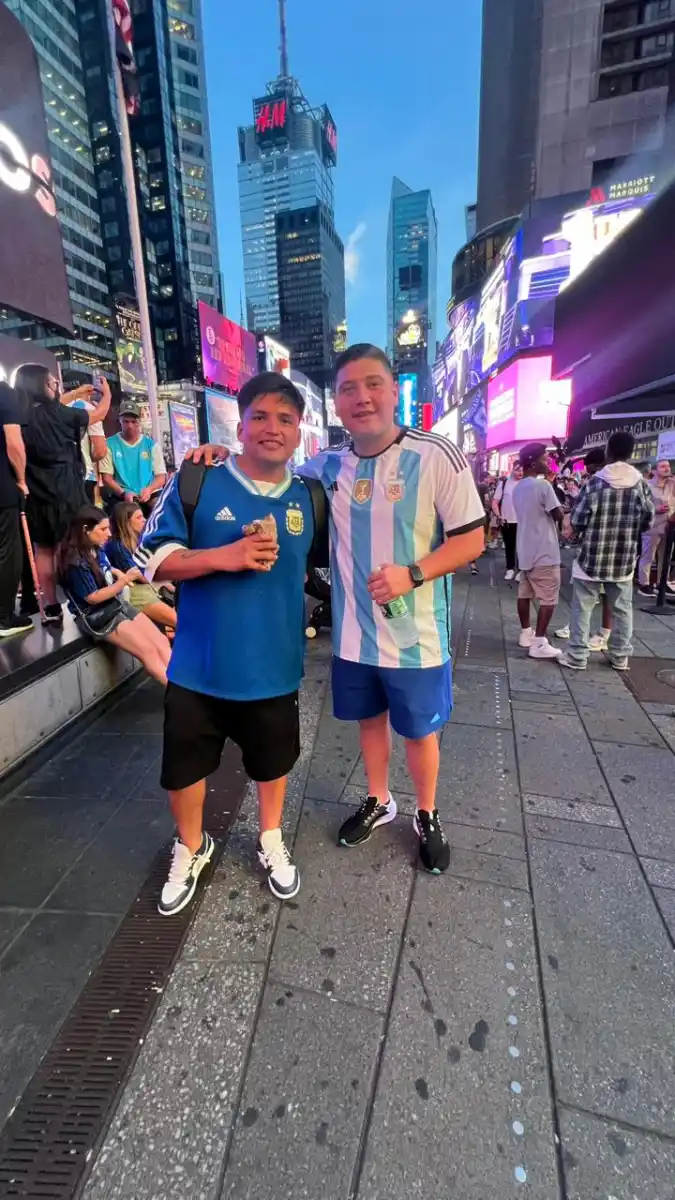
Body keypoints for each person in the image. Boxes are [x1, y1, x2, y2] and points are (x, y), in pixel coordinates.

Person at [193, 346, 486, 873]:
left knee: (419, 730)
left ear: (395, 391)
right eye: (348, 388)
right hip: (353, 634)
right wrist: (221, 453)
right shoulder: (326, 466)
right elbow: (268, 468)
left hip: (416, 633)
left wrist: (413, 573)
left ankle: (426, 812)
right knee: (368, 721)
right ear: (337, 404)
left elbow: (472, 539)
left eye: (373, 384)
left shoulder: (437, 453)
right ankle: (379, 799)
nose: (361, 397)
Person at [136, 373, 317, 915]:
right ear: (239, 426)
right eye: (260, 416)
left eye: (285, 419)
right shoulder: (198, 480)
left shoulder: (310, 496)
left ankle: (269, 838)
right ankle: (191, 846)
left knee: (272, 763)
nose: (272, 428)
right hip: (198, 666)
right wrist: (227, 557)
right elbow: (156, 563)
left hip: (274, 669)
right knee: (183, 770)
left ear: (299, 431)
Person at [14, 365, 111, 625]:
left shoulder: (20, 415)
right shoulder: (59, 413)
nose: (56, 385)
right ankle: (89, 596)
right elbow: (98, 414)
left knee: (44, 551)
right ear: (44, 384)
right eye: (51, 381)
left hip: (36, 490)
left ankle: (51, 606)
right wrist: (108, 394)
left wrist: (75, 392)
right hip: (67, 488)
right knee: (77, 545)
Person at [560, 431, 655, 672]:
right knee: (623, 609)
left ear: (608, 452)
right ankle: (620, 656)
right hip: (624, 558)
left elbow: (579, 519)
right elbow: (648, 520)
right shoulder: (640, 483)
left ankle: (577, 656)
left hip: (591, 556)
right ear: (631, 453)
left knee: (583, 607)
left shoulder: (595, 482)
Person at [57, 506, 172, 683]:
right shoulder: (76, 562)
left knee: (161, 641)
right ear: (85, 531)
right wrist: (124, 581)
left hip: (115, 605)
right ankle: (178, 698)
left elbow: (105, 567)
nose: (108, 534)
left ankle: (183, 688)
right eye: (103, 529)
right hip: (97, 615)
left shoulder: (96, 548)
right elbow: (93, 597)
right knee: (148, 651)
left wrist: (117, 572)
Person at [556, 447, 613, 649]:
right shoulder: (632, 483)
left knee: (587, 593)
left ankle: (584, 637)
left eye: (590, 469)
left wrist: (573, 526)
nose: (588, 473)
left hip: (595, 546)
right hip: (619, 548)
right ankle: (605, 636)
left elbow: (580, 519)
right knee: (610, 594)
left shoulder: (595, 484)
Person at [512, 443, 563, 660]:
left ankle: (526, 633)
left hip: (524, 549)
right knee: (548, 598)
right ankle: (539, 642)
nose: (547, 462)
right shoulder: (543, 487)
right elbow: (558, 514)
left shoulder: (518, 487)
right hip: (544, 550)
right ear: (533, 462)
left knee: (525, 593)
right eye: (544, 459)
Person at [106, 502, 177, 633]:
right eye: (138, 518)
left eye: (143, 516)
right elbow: (141, 576)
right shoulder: (117, 546)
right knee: (181, 622)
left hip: (149, 586)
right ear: (126, 522)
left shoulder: (141, 539)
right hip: (134, 592)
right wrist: (163, 581)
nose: (144, 520)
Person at [0, 382, 33, 638]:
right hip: (2, 488)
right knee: (8, 551)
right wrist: (21, 480)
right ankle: (3, 617)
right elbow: (13, 443)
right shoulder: (3, 391)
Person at [101, 400, 166, 513]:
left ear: (139, 422)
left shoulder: (151, 445)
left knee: (161, 510)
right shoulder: (109, 444)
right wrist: (123, 493)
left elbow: (161, 477)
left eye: (133, 422)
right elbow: (107, 478)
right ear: (120, 421)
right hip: (122, 494)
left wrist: (149, 490)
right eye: (126, 421)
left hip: (149, 493)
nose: (130, 426)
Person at [637, 458, 675, 597]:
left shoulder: (672, 483)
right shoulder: (647, 485)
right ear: (654, 470)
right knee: (648, 556)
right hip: (652, 526)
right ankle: (644, 584)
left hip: (669, 527)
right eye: (663, 466)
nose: (667, 469)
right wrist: (657, 508)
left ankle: (661, 583)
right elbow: (641, 506)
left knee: (666, 557)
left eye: (668, 466)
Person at [492, 464, 523, 580]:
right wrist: (499, 515)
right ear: (512, 470)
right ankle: (510, 568)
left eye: (522, 470)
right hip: (507, 520)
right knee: (509, 546)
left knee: (521, 547)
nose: (520, 473)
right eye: (518, 470)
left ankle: (521, 570)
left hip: (521, 521)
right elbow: (495, 501)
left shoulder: (525, 484)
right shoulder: (504, 484)